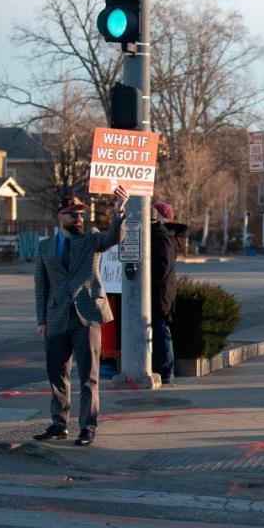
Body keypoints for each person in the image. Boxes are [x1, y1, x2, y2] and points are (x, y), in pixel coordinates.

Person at [33, 187, 128, 447]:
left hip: (86, 316)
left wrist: (119, 209)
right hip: (56, 317)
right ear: (60, 216)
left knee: (88, 376)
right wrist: (41, 320)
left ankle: (87, 426)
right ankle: (59, 424)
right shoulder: (45, 248)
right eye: (73, 215)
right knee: (57, 374)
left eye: (81, 214)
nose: (79, 219)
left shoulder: (91, 240)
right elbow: (41, 286)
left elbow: (114, 237)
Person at [151, 201, 178, 385]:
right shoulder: (163, 234)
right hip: (159, 290)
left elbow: (162, 266)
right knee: (158, 328)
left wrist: (144, 280)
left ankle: (166, 369)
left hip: (160, 292)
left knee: (161, 329)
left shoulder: (162, 236)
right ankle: (161, 367)